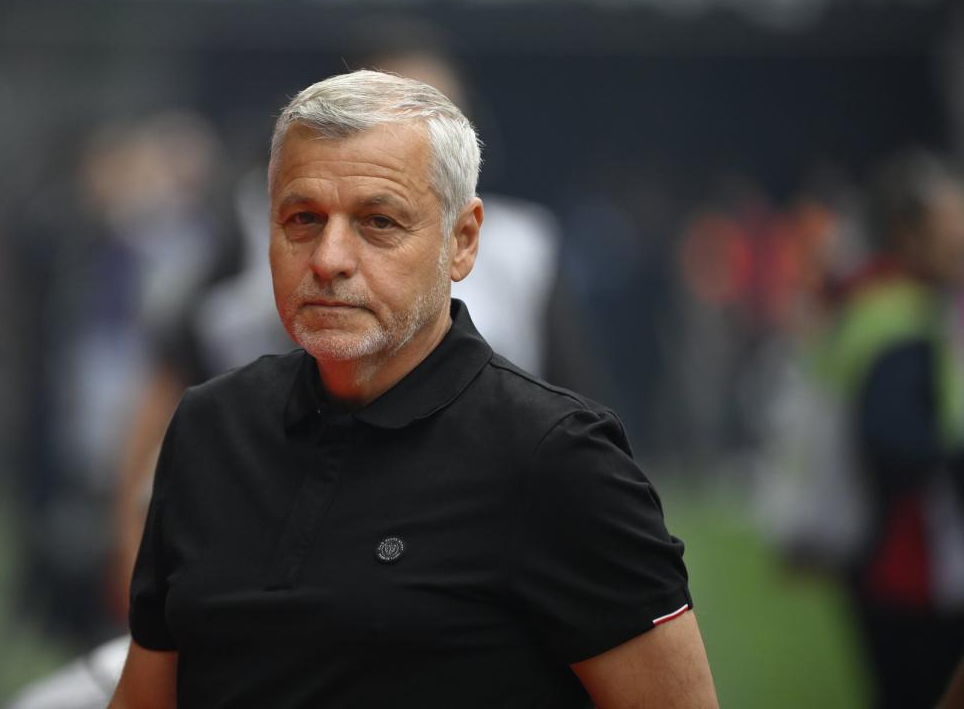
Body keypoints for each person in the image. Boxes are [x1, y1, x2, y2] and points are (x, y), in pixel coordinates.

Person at [108, 71, 717, 707]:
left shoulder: (557, 459)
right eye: (303, 218)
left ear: (463, 241)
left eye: (378, 222)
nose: (329, 258)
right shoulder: (210, 428)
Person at [819, 151, 964, 708]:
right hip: (908, 564)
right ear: (908, 233)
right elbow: (893, 442)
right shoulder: (900, 317)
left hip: (882, 555)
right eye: (950, 223)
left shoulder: (876, 299)